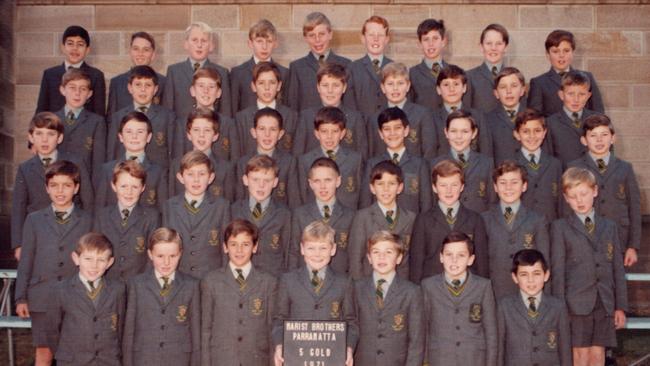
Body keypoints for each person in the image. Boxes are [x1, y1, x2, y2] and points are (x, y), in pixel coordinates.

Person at [15, 160, 94, 366]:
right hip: (42, 296)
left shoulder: (87, 220)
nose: (60, 191)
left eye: (67, 185)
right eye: (54, 185)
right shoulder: (34, 219)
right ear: (46, 188)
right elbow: (26, 261)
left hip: (75, 296)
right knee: (44, 351)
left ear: (76, 188)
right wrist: (21, 297)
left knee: (73, 350)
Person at [551, 167, 627, 365]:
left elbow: (617, 269)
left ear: (594, 191)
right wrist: (561, 308)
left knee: (598, 354)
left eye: (584, 194)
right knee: (580, 356)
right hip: (575, 304)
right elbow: (558, 272)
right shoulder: (560, 228)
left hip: (604, 302)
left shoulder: (609, 226)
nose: (580, 201)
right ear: (566, 199)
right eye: (573, 196)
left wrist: (620, 306)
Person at [272, 220, 358, 366]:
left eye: (323, 248)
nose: (317, 254)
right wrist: (279, 345)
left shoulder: (344, 282)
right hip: (297, 357)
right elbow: (279, 320)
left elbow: (351, 323)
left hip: (331, 358)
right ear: (302, 249)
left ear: (333, 249)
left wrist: (348, 349)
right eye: (311, 248)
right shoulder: (288, 280)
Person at [11, 112, 93, 260]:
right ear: (31, 137)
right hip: (39, 233)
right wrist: (18, 244)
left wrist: (90, 237)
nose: (44, 140)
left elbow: (88, 200)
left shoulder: (76, 162)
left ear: (59, 138)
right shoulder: (25, 168)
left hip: (72, 231)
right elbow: (19, 207)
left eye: (50, 134)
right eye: (39, 134)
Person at [201, 219, 278, 365]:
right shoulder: (211, 281)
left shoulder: (268, 282)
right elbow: (206, 330)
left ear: (255, 247)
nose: (239, 250)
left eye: (245, 244)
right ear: (225, 247)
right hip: (222, 360)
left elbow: (271, 329)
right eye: (233, 244)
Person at [568, 114, 641, 267]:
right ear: (584, 140)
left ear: (613, 138)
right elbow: (566, 208)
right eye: (593, 136)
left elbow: (634, 208)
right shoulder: (573, 167)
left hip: (618, 238)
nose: (599, 140)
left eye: (604, 135)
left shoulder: (625, 168)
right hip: (583, 237)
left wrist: (632, 246)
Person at [123, 227, 201, 366]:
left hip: (179, 359)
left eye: (172, 256)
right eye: (160, 256)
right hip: (144, 359)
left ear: (180, 254)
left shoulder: (192, 285)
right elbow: (129, 332)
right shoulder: (136, 284)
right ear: (150, 254)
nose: (166, 262)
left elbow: (195, 333)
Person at [47, 232, 126, 366]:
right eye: (88, 259)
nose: (94, 266)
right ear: (76, 258)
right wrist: (66, 355)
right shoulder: (60, 290)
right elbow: (52, 330)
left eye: (101, 260)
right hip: (73, 361)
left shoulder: (118, 289)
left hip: (108, 360)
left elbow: (120, 327)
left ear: (109, 262)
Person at [421, 231, 497, 366]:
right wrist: (426, 362)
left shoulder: (483, 286)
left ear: (471, 259)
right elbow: (424, 328)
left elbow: (491, 332)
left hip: (473, 359)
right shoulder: (428, 286)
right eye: (449, 254)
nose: (454, 260)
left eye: (461, 255)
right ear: (441, 257)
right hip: (439, 359)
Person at [409, 159, 489, 283]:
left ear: (462, 187)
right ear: (434, 187)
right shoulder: (423, 220)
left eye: (454, 185)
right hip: (433, 289)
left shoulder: (475, 219)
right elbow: (416, 264)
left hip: (466, 288)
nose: (449, 190)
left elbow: (482, 264)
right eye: (443, 185)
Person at [353, 230, 424, 366]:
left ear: (399, 258)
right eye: (376, 252)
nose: (382, 257)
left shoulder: (412, 292)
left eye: (388, 252)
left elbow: (416, 340)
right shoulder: (356, 289)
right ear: (369, 258)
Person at [481, 160, 550, 299]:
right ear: (495, 187)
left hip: (529, 290)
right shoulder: (484, 219)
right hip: (495, 291)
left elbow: (544, 260)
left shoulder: (537, 220)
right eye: (502, 183)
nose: (508, 188)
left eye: (514, 182)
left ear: (524, 186)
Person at [162, 151, 230, 278]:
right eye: (190, 174)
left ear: (211, 178)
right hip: (179, 278)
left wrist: (224, 276)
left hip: (211, 277)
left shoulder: (221, 206)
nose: (196, 179)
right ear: (180, 177)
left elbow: (225, 246)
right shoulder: (169, 206)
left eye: (202, 174)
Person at [497, 249, 572, 366]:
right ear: (515, 277)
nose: (530, 280)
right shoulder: (504, 306)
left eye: (536, 273)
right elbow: (500, 349)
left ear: (546, 275)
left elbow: (565, 350)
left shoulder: (558, 306)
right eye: (524, 274)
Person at [94, 160, 160, 282]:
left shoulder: (151, 217)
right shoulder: (102, 216)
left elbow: (153, 256)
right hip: (108, 284)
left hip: (138, 284)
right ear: (114, 186)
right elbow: (96, 252)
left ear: (143, 188)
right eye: (123, 186)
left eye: (135, 187)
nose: (129, 192)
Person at [349, 161, 416, 279]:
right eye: (380, 184)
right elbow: (356, 258)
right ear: (372, 188)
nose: (386, 189)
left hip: (400, 286)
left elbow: (408, 260)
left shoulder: (411, 218)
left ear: (400, 187)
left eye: (391, 184)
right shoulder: (362, 217)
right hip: (369, 284)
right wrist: (360, 288)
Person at [289, 157, 355, 273]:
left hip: (340, 281)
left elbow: (353, 256)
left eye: (328, 180)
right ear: (310, 183)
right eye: (317, 181)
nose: (323, 186)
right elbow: (294, 253)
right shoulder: (300, 214)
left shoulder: (351, 216)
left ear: (338, 181)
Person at [361, 107, 432, 213]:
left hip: (411, 226)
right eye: (387, 129)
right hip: (378, 227)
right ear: (381, 134)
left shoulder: (420, 165)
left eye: (397, 128)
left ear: (406, 130)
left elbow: (426, 204)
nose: (392, 133)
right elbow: (365, 203)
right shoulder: (372, 164)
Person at [231, 155, 291, 276]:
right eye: (255, 179)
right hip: (241, 277)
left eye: (267, 180)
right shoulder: (233, 210)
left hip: (273, 278)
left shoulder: (284, 213)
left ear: (275, 182)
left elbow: (288, 251)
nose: (261, 185)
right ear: (245, 180)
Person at [94, 111, 167, 211]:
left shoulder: (158, 172)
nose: (134, 136)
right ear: (120, 137)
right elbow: (100, 209)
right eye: (129, 132)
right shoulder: (107, 170)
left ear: (149, 137)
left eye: (140, 132)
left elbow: (162, 210)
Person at [107, 65, 175, 169]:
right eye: (138, 85)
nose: (143, 90)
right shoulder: (118, 117)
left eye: (148, 85)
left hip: (157, 178)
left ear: (155, 89)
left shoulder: (167, 116)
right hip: (125, 178)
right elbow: (111, 153)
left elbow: (172, 154)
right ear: (130, 88)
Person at [297, 106, 363, 209]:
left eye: (335, 131)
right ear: (316, 133)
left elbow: (360, 195)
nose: (329, 136)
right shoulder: (305, 161)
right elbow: (303, 196)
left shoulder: (355, 159)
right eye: (324, 131)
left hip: (347, 220)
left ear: (342, 133)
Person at [431, 110, 496, 213]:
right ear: (446, 132)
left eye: (465, 131)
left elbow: (492, 201)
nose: (459, 137)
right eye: (453, 131)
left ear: (474, 133)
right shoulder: (434, 164)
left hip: (478, 224)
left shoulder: (486, 163)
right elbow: (431, 203)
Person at [162, 21, 231, 118]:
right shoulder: (174, 71)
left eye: (204, 41)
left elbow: (225, 109)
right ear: (186, 44)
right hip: (181, 129)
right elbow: (168, 108)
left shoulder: (221, 72)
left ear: (211, 46)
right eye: (194, 40)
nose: (199, 45)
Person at [529, 29, 604, 117]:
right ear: (547, 54)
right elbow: (535, 117)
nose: (561, 55)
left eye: (566, 50)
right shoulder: (539, 82)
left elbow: (598, 112)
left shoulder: (588, 77)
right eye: (556, 51)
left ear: (573, 52)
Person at [286, 12, 350, 112]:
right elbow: (293, 106)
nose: (317, 40)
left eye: (321, 34)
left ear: (330, 34)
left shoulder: (346, 64)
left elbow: (350, 104)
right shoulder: (297, 68)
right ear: (305, 38)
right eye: (312, 35)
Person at [36, 25, 106, 116]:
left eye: (80, 44)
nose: (75, 48)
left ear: (87, 50)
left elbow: (99, 112)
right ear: (63, 47)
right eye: (70, 43)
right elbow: (41, 109)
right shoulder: (49, 74)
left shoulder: (96, 75)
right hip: (55, 127)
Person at [54, 68, 106, 176]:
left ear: (89, 94)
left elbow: (98, 162)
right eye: (72, 88)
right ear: (62, 90)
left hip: (84, 183)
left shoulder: (97, 122)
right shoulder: (52, 119)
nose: (77, 93)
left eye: (83, 89)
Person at [230, 19, 288, 113]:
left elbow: (288, 109)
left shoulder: (285, 73)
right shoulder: (238, 73)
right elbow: (233, 109)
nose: (264, 47)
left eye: (269, 41)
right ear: (250, 43)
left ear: (275, 44)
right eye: (259, 41)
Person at [107, 31, 166, 117]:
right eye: (136, 49)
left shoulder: (164, 82)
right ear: (130, 52)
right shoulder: (117, 83)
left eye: (146, 50)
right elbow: (111, 118)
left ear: (153, 55)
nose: (140, 54)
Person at [344, 15, 393, 116]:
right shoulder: (353, 68)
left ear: (387, 39)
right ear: (363, 38)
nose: (376, 39)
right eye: (371, 35)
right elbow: (349, 105)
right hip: (362, 127)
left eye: (380, 35)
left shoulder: (395, 67)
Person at [466, 24, 511, 113]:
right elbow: (466, 111)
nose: (493, 48)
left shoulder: (514, 76)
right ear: (481, 47)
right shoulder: (469, 76)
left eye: (499, 43)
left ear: (506, 47)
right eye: (489, 43)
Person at [409, 18, 449, 110]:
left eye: (435, 38)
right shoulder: (412, 74)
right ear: (419, 44)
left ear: (443, 42)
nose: (431, 44)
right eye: (426, 39)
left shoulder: (454, 72)